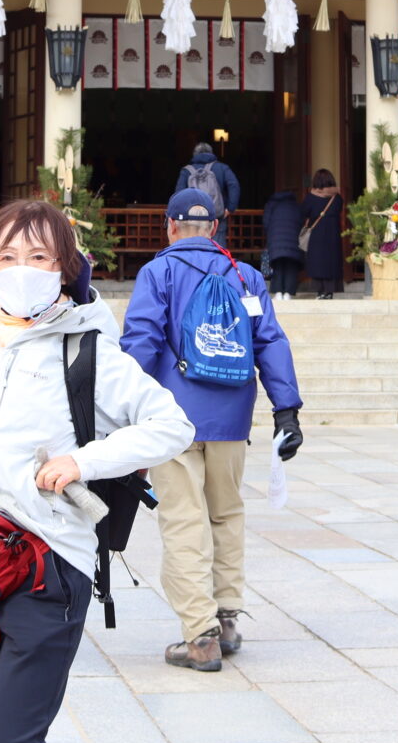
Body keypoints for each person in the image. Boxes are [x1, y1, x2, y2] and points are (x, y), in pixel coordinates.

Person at [0, 199, 192, 743]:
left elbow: (172, 425)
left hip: (45, 563)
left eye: (39, 256)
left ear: (65, 268)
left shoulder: (88, 349)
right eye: (8, 256)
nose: (21, 268)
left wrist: (81, 461)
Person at [121, 188, 304, 672]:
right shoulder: (245, 276)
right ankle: (226, 619)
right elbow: (270, 341)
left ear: (170, 227)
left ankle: (200, 636)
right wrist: (286, 409)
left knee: (183, 519)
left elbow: (141, 342)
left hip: (171, 418)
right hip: (231, 418)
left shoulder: (158, 272)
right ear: (216, 229)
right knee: (226, 514)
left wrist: (122, 414)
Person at [299, 169, 346, 299]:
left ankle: (320, 291)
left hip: (316, 235)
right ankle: (329, 291)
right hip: (333, 235)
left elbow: (303, 212)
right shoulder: (337, 198)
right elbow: (338, 210)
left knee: (318, 262)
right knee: (331, 262)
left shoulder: (311, 198)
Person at [261, 187, 305, 299]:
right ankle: (288, 292)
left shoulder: (271, 204)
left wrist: (270, 234)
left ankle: (278, 292)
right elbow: (301, 221)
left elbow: (266, 222)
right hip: (293, 239)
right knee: (291, 265)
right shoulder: (295, 205)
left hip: (275, 239)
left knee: (277, 264)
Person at [177, 141, 241, 216]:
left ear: (194, 154)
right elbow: (234, 186)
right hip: (217, 215)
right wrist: (230, 208)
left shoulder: (186, 171)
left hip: (193, 215)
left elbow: (179, 193)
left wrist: (182, 212)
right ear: (211, 153)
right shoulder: (222, 168)